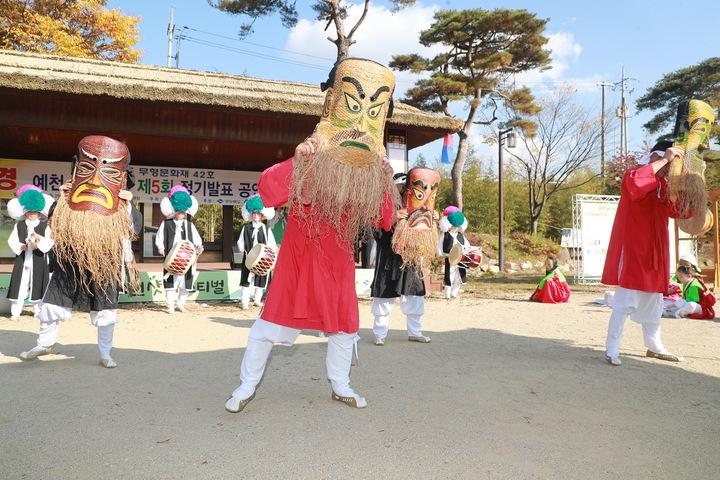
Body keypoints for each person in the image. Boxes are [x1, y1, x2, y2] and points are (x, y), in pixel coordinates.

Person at [225, 57, 398, 413]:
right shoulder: (310, 159)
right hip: (298, 262)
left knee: (344, 330)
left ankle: (341, 385)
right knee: (266, 329)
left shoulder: (367, 175)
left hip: (336, 266)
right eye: (352, 105)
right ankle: (245, 387)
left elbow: (385, 220)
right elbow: (269, 192)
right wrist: (297, 161)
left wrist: (383, 180)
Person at [20, 135, 140, 368]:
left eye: (109, 173)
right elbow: (54, 226)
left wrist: (129, 203)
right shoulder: (66, 200)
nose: (95, 180)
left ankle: (105, 353)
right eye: (87, 168)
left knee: (106, 309)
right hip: (71, 258)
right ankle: (43, 343)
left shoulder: (123, 207)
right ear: (76, 171)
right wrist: (62, 197)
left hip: (106, 262)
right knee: (52, 302)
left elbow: (132, 230)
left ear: (122, 179)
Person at [602, 140, 687, 366]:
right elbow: (635, 184)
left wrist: (692, 191)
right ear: (657, 156)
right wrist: (665, 159)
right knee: (625, 301)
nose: (671, 168)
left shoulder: (664, 185)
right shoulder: (634, 174)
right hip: (634, 248)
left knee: (653, 302)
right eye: (670, 161)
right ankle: (612, 348)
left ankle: (654, 346)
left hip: (657, 251)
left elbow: (677, 211)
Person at [369, 171, 439, 346]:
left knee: (414, 296)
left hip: (411, 257)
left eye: (404, 186)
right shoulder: (383, 205)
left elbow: (424, 232)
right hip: (388, 258)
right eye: (400, 185)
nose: (401, 189)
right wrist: (392, 219)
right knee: (383, 298)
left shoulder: (420, 205)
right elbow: (377, 234)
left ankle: (415, 332)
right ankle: (380, 334)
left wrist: (433, 218)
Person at [6, 185, 55, 320]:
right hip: (23, 260)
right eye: (30, 211)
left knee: (38, 284)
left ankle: (38, 312)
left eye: (35, 211)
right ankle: (15, 313)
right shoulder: (19, 225)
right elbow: (12, 240)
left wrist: (40, 239)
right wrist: (21, 246)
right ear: (25, 212)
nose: (32, 213)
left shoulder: (45, 227)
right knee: (20, 285)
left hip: (39, 259)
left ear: (39, 213)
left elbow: (51, 242)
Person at [156, 185, 204, 314]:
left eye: (183, 212)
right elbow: (159, 237)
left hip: (187, 259)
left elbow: (197, 239)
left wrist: (199, 246)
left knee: (185, 284)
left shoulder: (190, 225)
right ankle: (170, 306)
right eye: (179, 212)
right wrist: (160, 247)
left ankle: (181, 305)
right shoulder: (166, 224)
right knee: (170, 283)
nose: (181, 214)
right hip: (171, 258)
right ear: (174, 210)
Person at [237, 194, 276, 310]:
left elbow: (271, 243)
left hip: (262, 258)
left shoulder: (266, 229)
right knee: (246, 280)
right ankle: (244, 302)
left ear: (261, 215)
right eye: (253, 213)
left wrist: (274, 250)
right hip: (248, 256)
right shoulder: (246, 228)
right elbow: (241, 240)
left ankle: (257, 300)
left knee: (261, 279)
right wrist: (241, 247)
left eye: (257, 213)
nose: (255, 215)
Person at [438, 206, 470, 299]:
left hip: (460, 258)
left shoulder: (460, 236)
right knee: (449, 275)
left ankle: (454, 293)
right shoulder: (445, 235)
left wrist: (475, 248)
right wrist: (440, 254)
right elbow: (440, 244)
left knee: (459, 276)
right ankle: (447, 293)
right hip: (450, 257)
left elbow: (467, 245)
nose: (454, 227)